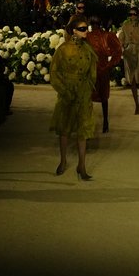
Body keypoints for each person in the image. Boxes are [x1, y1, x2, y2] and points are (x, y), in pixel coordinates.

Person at [49, 13, 96, 180]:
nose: (86, 32)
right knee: (64, 129)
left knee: (83, 130)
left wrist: (89, 87)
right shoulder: (63, 49)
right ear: (73, 31)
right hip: (68, 93)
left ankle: (81, 166)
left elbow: (92, 70)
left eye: (87, 28)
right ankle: (63, 161)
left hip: (83, 93)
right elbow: (54, 73)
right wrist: (64, 90)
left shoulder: (87, 48)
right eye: (82, 29)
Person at [85, 9, 123, 133]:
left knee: (89, 97)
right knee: (103, 98)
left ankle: (91, 122)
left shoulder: (88, 36)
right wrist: (109, 65)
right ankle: (105, 121)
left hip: (91, 68)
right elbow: (117, 51)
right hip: (102, 67)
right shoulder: (106, 35)